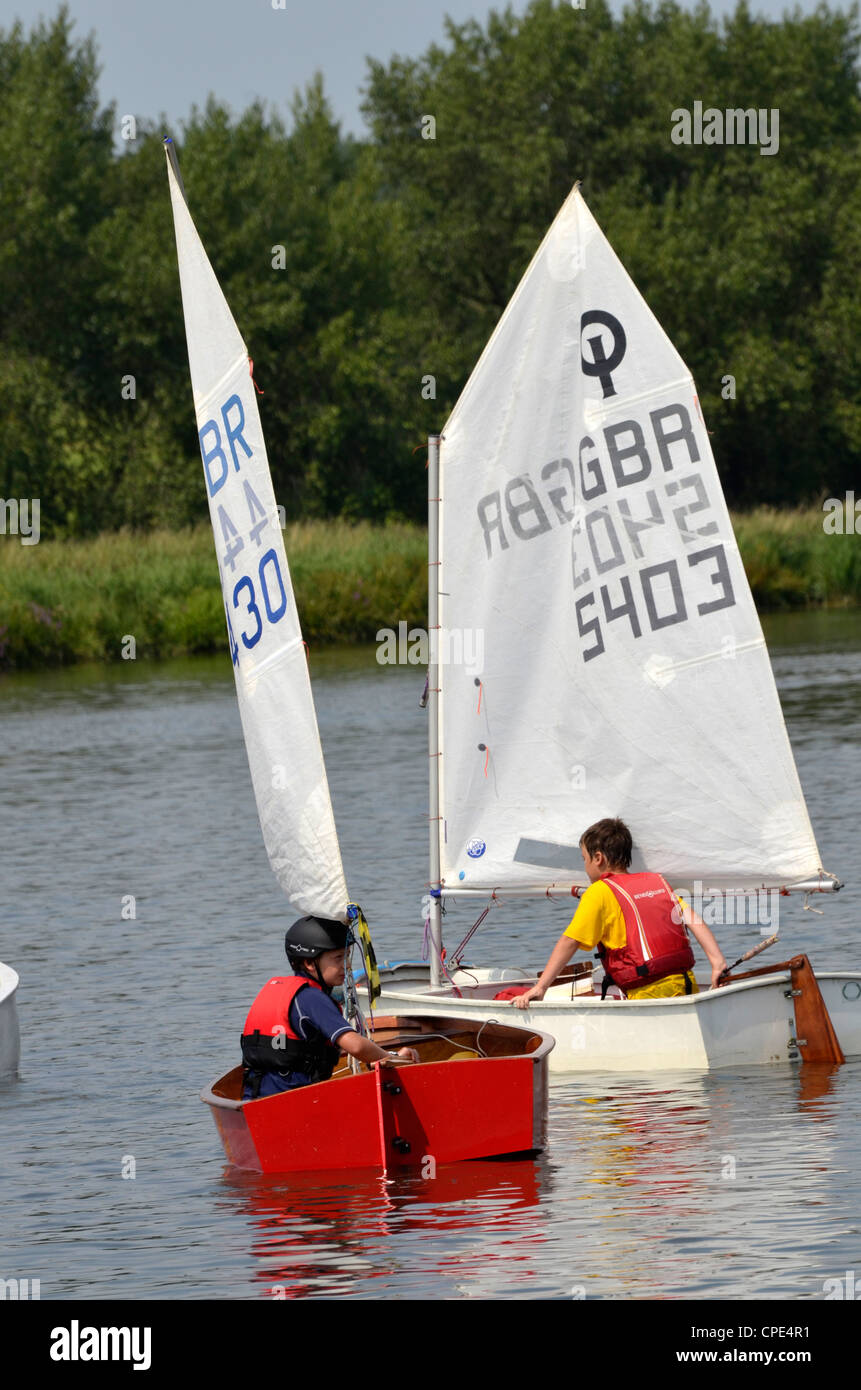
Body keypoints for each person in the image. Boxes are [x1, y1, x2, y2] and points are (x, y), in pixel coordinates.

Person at [515, 818, 727, 1009]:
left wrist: (541, 988)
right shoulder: (656, 882)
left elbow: (570, 941)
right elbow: (693, 919)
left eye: (584, 859)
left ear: (598, 858)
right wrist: (717, 963)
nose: (585, 867)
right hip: (686, 983)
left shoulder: (599, 891)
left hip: (650, 996)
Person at [241, 916, 418, 1099]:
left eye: (348, 956)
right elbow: (356, 1046)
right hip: (295, 1103)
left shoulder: (283, 992)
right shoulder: (312, 998)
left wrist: (375, 1055)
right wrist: (392, 1057)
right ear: (309, 963)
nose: (347, 966)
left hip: (255, 1101)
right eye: (338, 958)